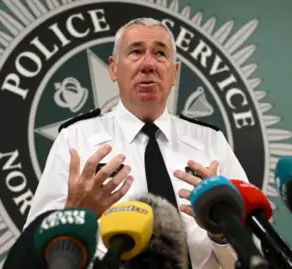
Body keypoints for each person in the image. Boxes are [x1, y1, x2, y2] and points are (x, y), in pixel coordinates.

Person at [24, 17, 249, 269]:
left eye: (160, 53)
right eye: (136, 52)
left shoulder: (211, 142)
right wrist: (75, 212)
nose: (148, 65)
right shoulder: (75, 140)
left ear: (174, 73)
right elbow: (33, 249)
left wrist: (220, 232)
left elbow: (253, 253)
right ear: (113, 68)